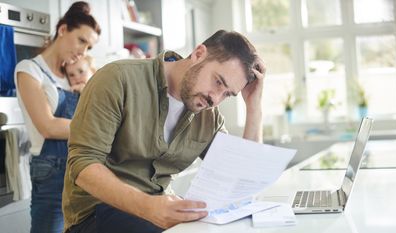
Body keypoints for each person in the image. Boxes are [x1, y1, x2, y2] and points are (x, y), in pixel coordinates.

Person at [62, 30, 266, 233]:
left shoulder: (209, 116)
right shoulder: (118, 78)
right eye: (218, 82)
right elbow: (83, 165)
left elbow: (239, 178)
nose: (215, 99)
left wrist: (254, 106)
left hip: (155, 213)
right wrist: (148, 207)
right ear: (198, 54)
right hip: (96, 214)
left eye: (227, 94)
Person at [13, 2, 100, 233]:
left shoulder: (74, 75)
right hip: (51, 170)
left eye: (89, 46)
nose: (84, 51)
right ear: (63, 30)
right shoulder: (29, 70)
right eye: (81, 40)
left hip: (83, 167)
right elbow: (48, 126)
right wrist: (100, 129)